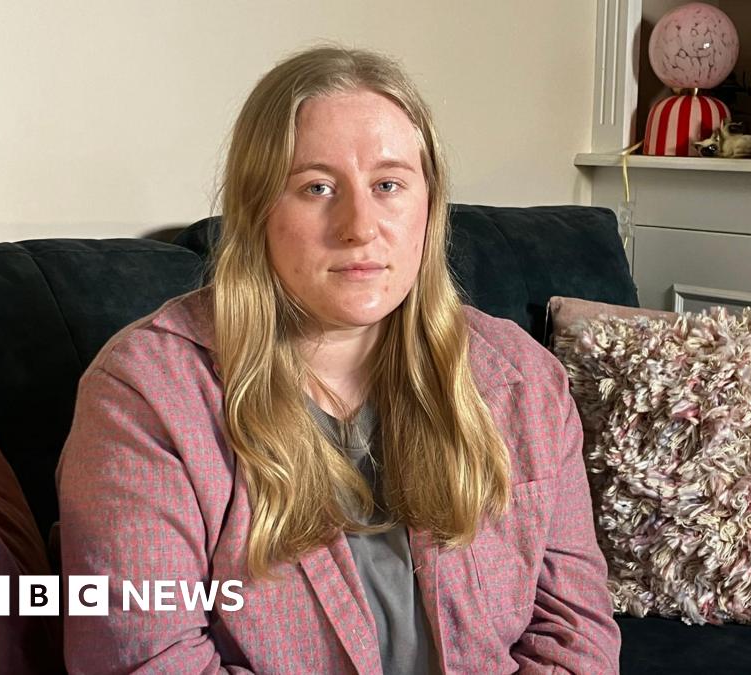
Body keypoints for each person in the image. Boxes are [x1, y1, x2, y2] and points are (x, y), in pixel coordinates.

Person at [57, 46, 620, 674]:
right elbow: (145, 659)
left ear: (429, 207)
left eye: (388, 185)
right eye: (316, 187)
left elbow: (576, 631)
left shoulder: (522, 377)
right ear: (256, 209)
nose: (359, 226)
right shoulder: (144, 395)